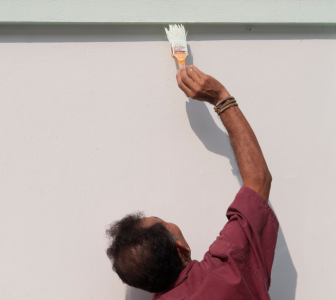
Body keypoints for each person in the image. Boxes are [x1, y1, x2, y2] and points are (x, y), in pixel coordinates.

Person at [106, 65, 278, 300]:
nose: (168, 220)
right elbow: (258, 180)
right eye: (164, 222)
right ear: (181, 249)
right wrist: (220, 97)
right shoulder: (227, 269)